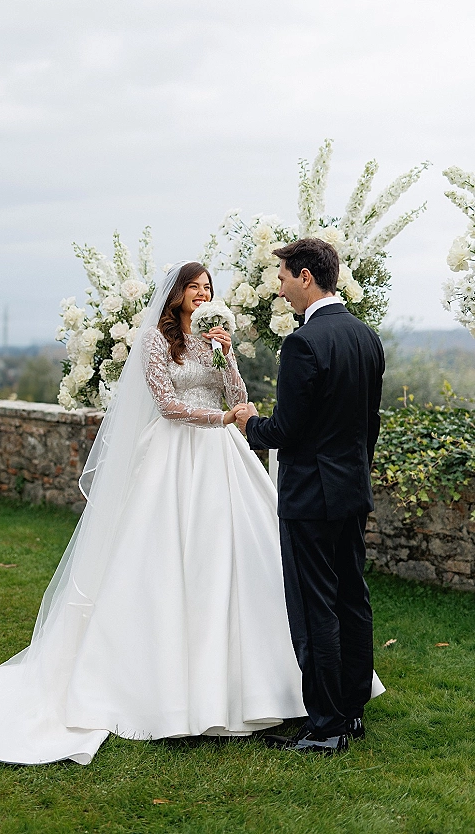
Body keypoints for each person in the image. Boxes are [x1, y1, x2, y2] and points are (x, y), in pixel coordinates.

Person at [0, 261, 308, 803]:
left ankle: (260, 684)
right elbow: (167, 403)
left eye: (208, 288)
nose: (203, 294)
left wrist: (226, 355)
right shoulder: (160, 344)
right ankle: (164, 685)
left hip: (222, 460)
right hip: (176, 456)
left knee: (238, 558)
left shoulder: (215, 338)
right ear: (177, 295)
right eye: (195, 287)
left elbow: (235, 393)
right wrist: (221, 421)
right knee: (163, 563)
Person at [236, 238, 385, 755]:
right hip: (350, 490)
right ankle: (352, 712)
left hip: (309, 497)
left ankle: (324, 728)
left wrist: (249, 423)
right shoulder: (366, 337)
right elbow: (371, 424)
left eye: (281, 277)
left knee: (314, 607)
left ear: (304, 276)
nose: (278, 287)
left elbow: (289, 429)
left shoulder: (304, 343)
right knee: (352, 599)